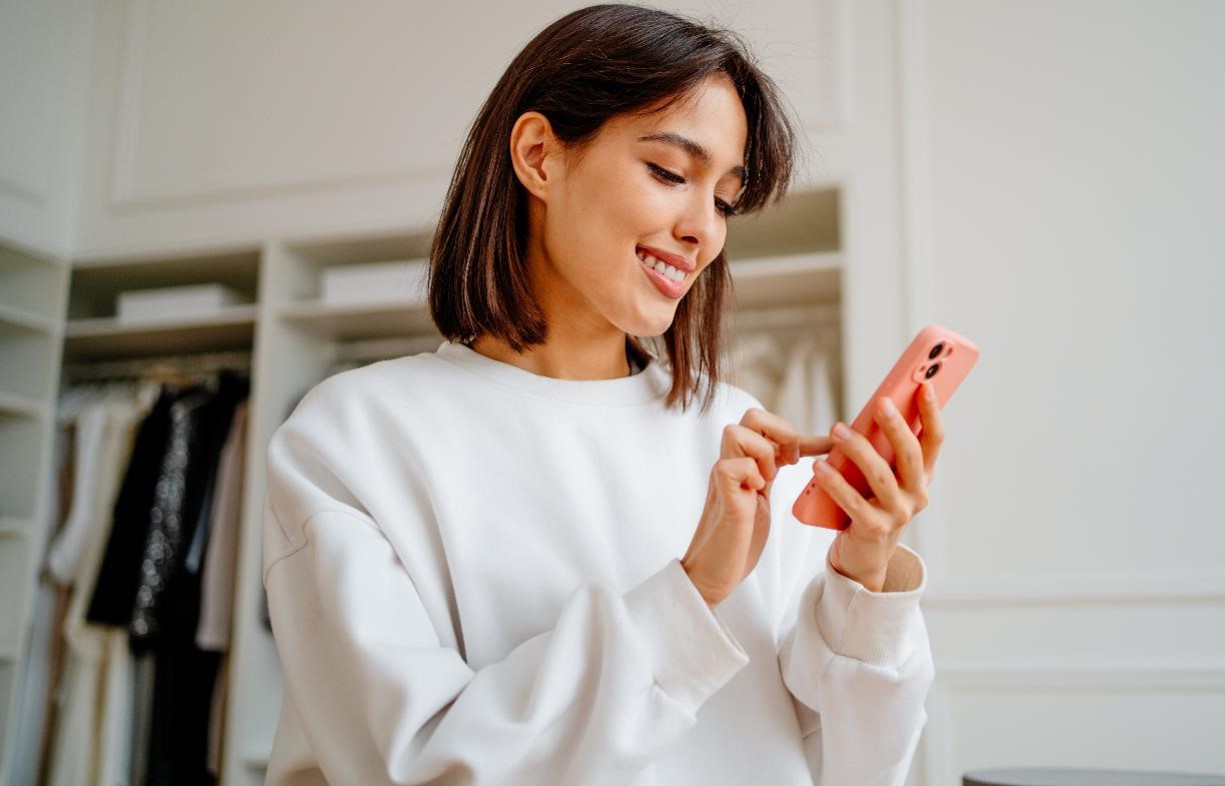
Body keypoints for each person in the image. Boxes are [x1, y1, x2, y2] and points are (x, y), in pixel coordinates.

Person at [260, 5, 944, 785]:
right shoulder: (354, 437)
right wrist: (695, 593)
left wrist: (861, 576)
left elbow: (858, 767)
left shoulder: (738, 432)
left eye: (722, 198)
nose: (703, 231)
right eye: (667, 172)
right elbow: (422, 766)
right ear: (539, 155)